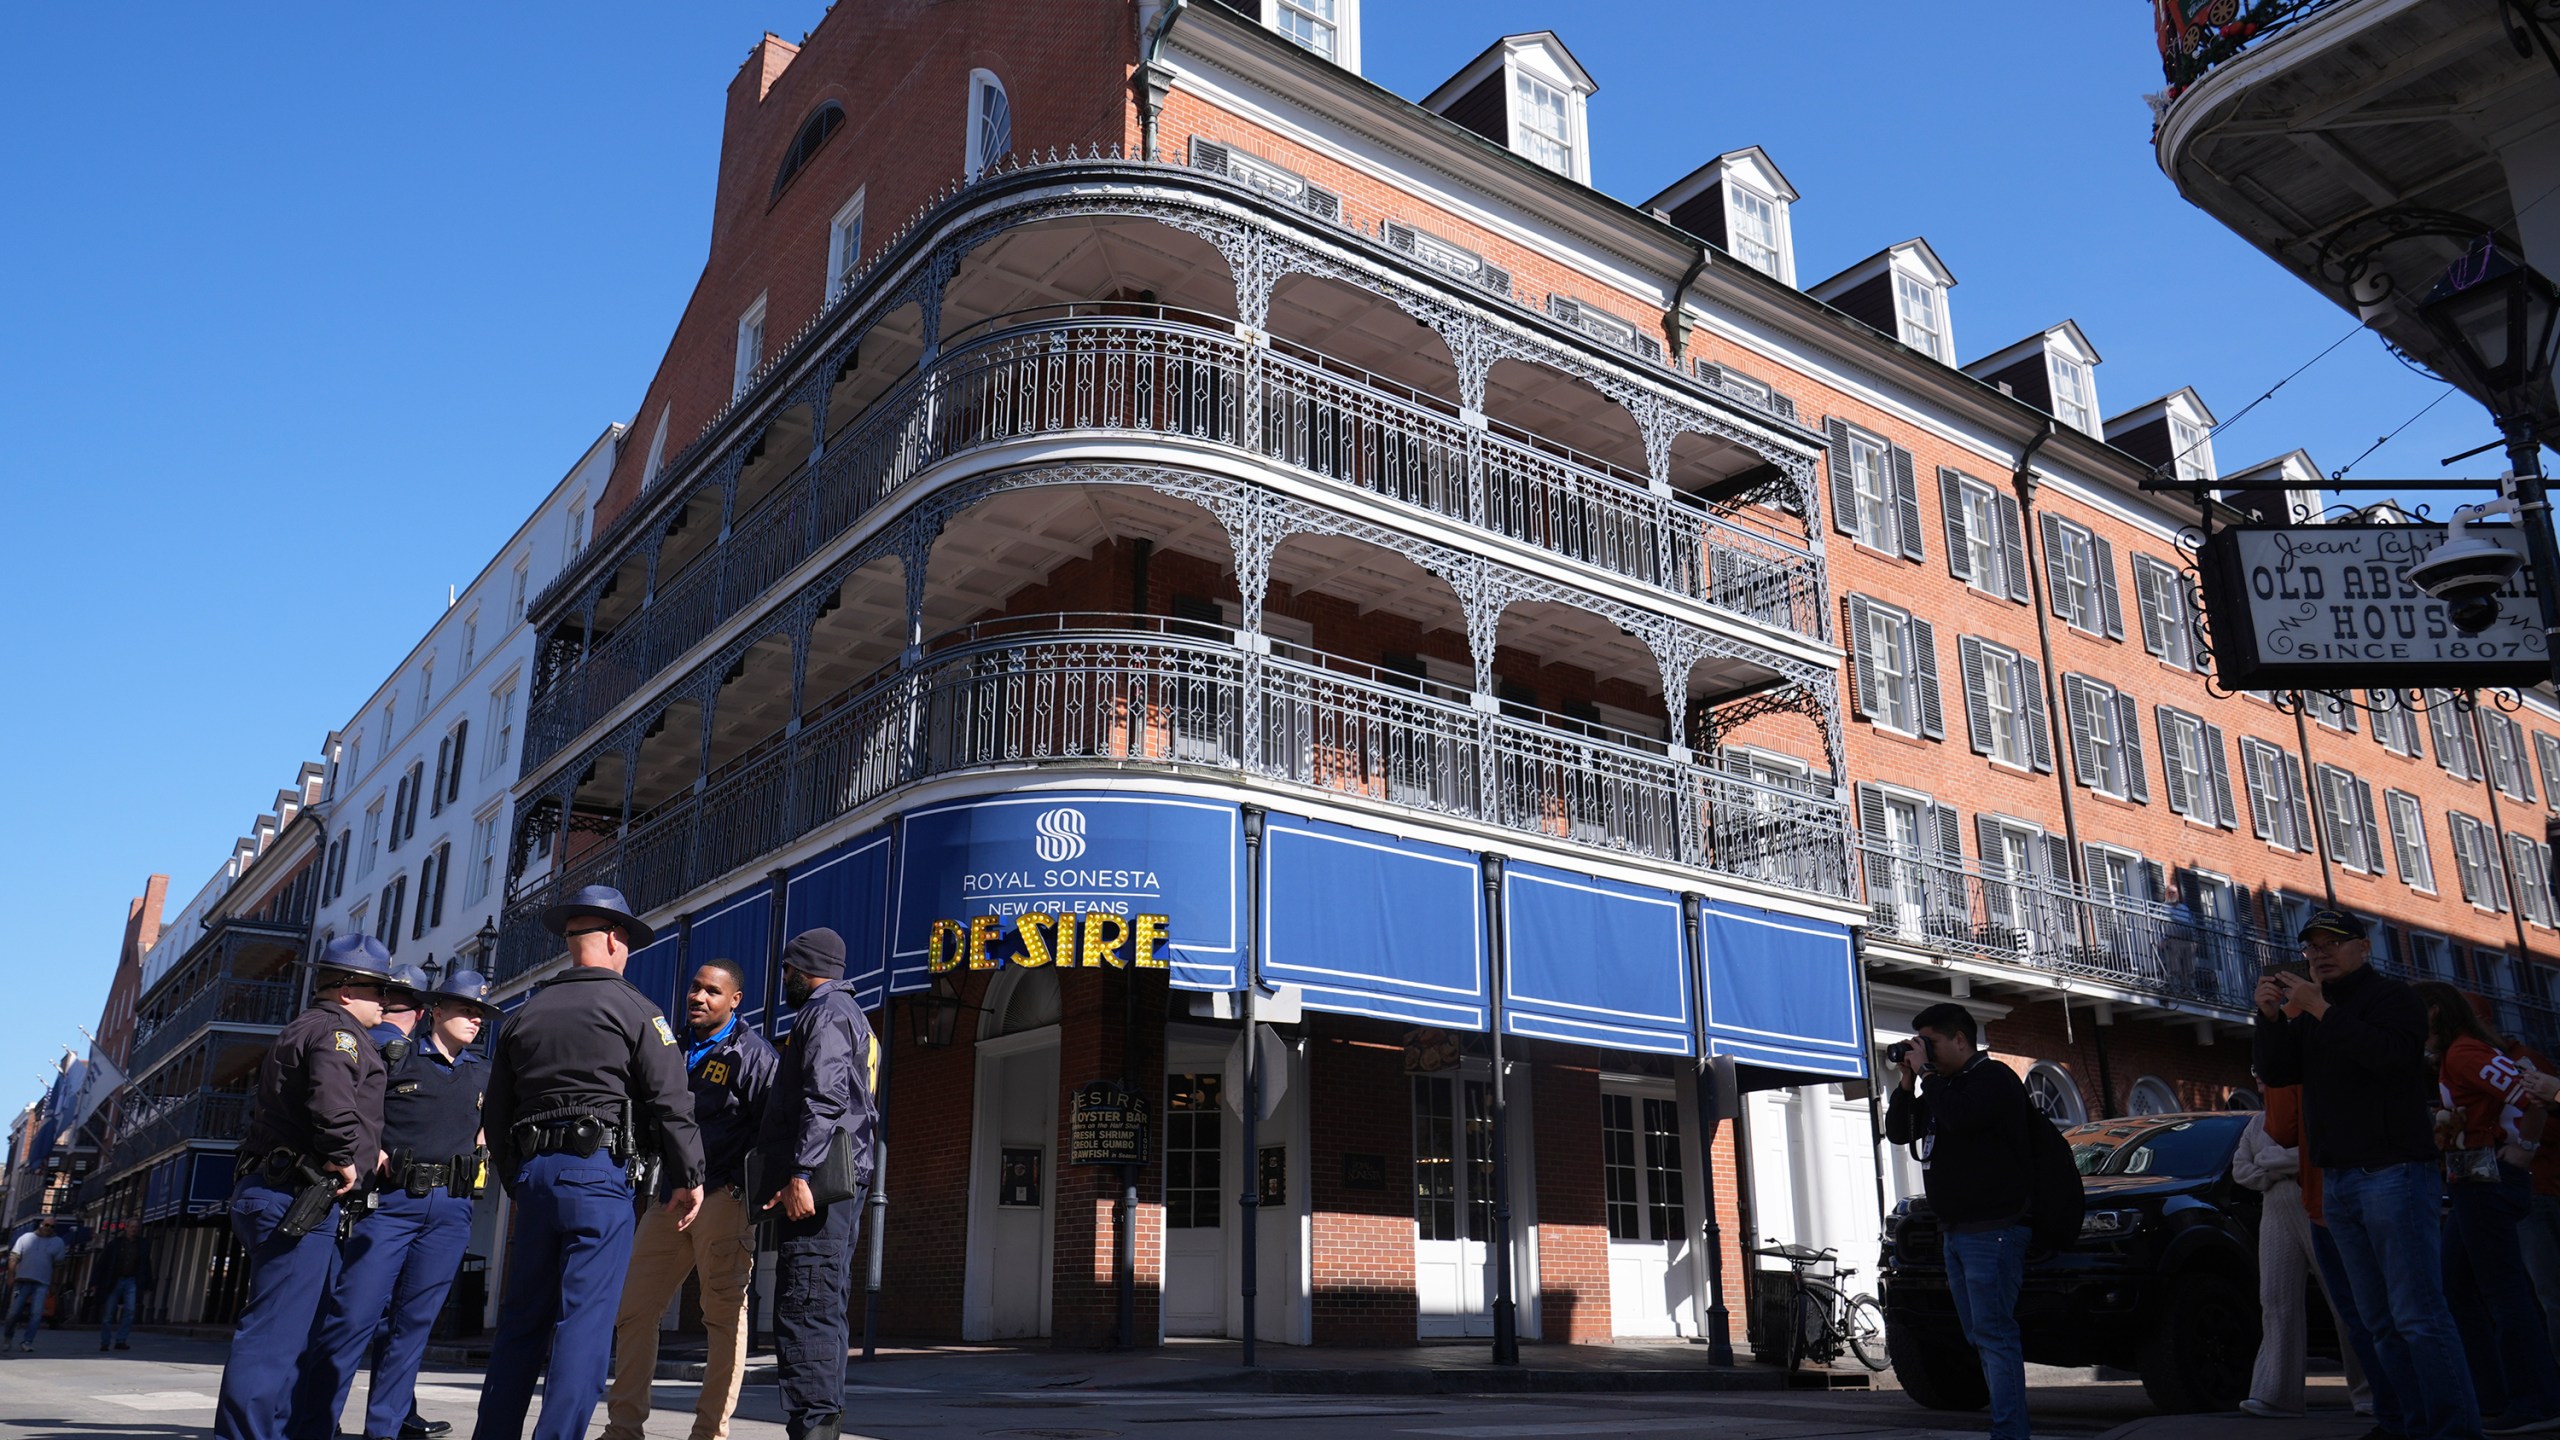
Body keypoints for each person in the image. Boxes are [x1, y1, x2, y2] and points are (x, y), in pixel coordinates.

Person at [472, 886, 704, 1440]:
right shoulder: (637, 1011)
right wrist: (689, 1175)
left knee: (521, 1323)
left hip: (535, 1177)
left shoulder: (521, 1017)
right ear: (612, 939)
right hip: (598, 1175)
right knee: (585, 1326)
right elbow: (673, 1101)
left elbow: (497, 1112)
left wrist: (518, 1177)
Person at [2255, 910, 2482, 1440]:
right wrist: (2269, 1019)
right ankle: (2406, 1424)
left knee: (2418, 1316)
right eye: (2312, 947)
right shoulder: (2309, 1009)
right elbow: (2280, 1073)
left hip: (2394, 1173)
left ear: (2363, 947)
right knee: (2377, 1324)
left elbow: (2392, 1060)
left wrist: (2321, 1010)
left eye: (2333, 943)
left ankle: (2455, 1430)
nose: (2320, 954)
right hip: (2338, 1179)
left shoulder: (2392, 998)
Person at [291, 969, 500, 1440]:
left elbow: (495, 1117)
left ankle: (384, 1429)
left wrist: (486, 1139)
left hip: (451, 1208)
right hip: (391, 1205)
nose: (475, 1020)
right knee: (353, 1319)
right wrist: (371, 1148)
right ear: (437, 1010)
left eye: (481, 1013)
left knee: (413, 1327)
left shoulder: (483, 1070)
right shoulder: (394, 1057)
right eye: (466, 1009)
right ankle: (312, 1427)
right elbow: (351, 1105)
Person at [214, 933, 395, 1440]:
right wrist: (345, 1156)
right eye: (376, 989)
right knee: (274, 1338)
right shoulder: (338, 1034)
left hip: (284, 1191)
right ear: (343, 989)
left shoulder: (310, 1027)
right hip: (297, 1194)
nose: (384, 1000)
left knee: (295, 1334)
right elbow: (332, 1100)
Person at [605, 958, 776, 1440]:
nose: (699, 998)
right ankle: (622, 1430)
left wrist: (745, 1194)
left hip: (724, 1197)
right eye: (695, 989)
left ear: (735, 1001)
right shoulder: (670, 1046)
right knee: (635, 1309)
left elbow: (774, 1130)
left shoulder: (755, 1056)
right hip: (670, 1199)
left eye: (712, 992)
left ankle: (709, 1434)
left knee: (721, 1318)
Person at [2412, 981, 2560, 1435]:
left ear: (2434, 1012)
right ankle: (2497, 1394)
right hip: (2472, 1180)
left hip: (2485, 1181)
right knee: (2458, 1285)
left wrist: (2524, 1148)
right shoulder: (2458, 1053)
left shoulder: (2464, 1053)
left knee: (2503, 1292)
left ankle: (2534, 1400)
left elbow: (2531, 1094)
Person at [1885, 1001, 2036, 1440]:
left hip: (1994, 1229)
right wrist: (1907, 1081)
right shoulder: (1940, 1087)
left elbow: (1961, 1115)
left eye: (1929, 1043)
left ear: (1959, 1039)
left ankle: (2010, 1434)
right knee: (1980, 1334)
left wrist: (1929, 1078)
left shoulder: (1991, 1079)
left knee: (1993, 1333)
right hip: (1956, 1231)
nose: (1922, 1052)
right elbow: (1898, 1131)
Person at [757, 929, 882, 1440]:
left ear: (804, 969)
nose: (782, 979)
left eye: (786, 970)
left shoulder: (825, 1013)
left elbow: (824, 1098)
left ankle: (814, 1429)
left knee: (806, 1303)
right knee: (823, 1305)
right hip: (839, 1184)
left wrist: (800, 1173)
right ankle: (818, 1424)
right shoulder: (854, 1016)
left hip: (822, 1185)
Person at [2233, 1082, 2370, 1420]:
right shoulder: (2256, 1123)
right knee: (2276, 1300)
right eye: (2259, 1074)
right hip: (2275, 1212)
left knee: (2345, 1302)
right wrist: (2276, 1168)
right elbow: (2240, 1168)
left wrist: (2272, 1162)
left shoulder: (2313, 1112)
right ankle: (2275, 1393)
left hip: (2319, 1206)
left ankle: (2370, 1390)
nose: (2263, 1082)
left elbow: (2312, 1155)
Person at [4, 1219, 68, 1352]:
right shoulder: (26, 1238)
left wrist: (55, 1284)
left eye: (52, 1226)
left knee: (37, 1314)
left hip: (42, 1282)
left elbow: (58, 1266)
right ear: (40, 1225)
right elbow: (14, 1257)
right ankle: (8, 1338)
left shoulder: (58, 1243)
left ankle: (27, 1341)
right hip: (22, 1281)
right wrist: (11, 1275)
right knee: (13, 1312)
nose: (49, 1228)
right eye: (46, 1225)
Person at [90, 1224, 152, 1352]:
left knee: (130, 1311)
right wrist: (95, 1281)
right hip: (115, 1279)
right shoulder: (115, 1244)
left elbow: (146, 1264)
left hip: (132, 1280)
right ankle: (105, 1341)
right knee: (109, 1312)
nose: (133, 1229)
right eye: (131, 1227)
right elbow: (103, 1262)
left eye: (136, 1227)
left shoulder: (142, 1245)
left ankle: (121, 1340)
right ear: (126, 1228)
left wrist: (147, 1283)